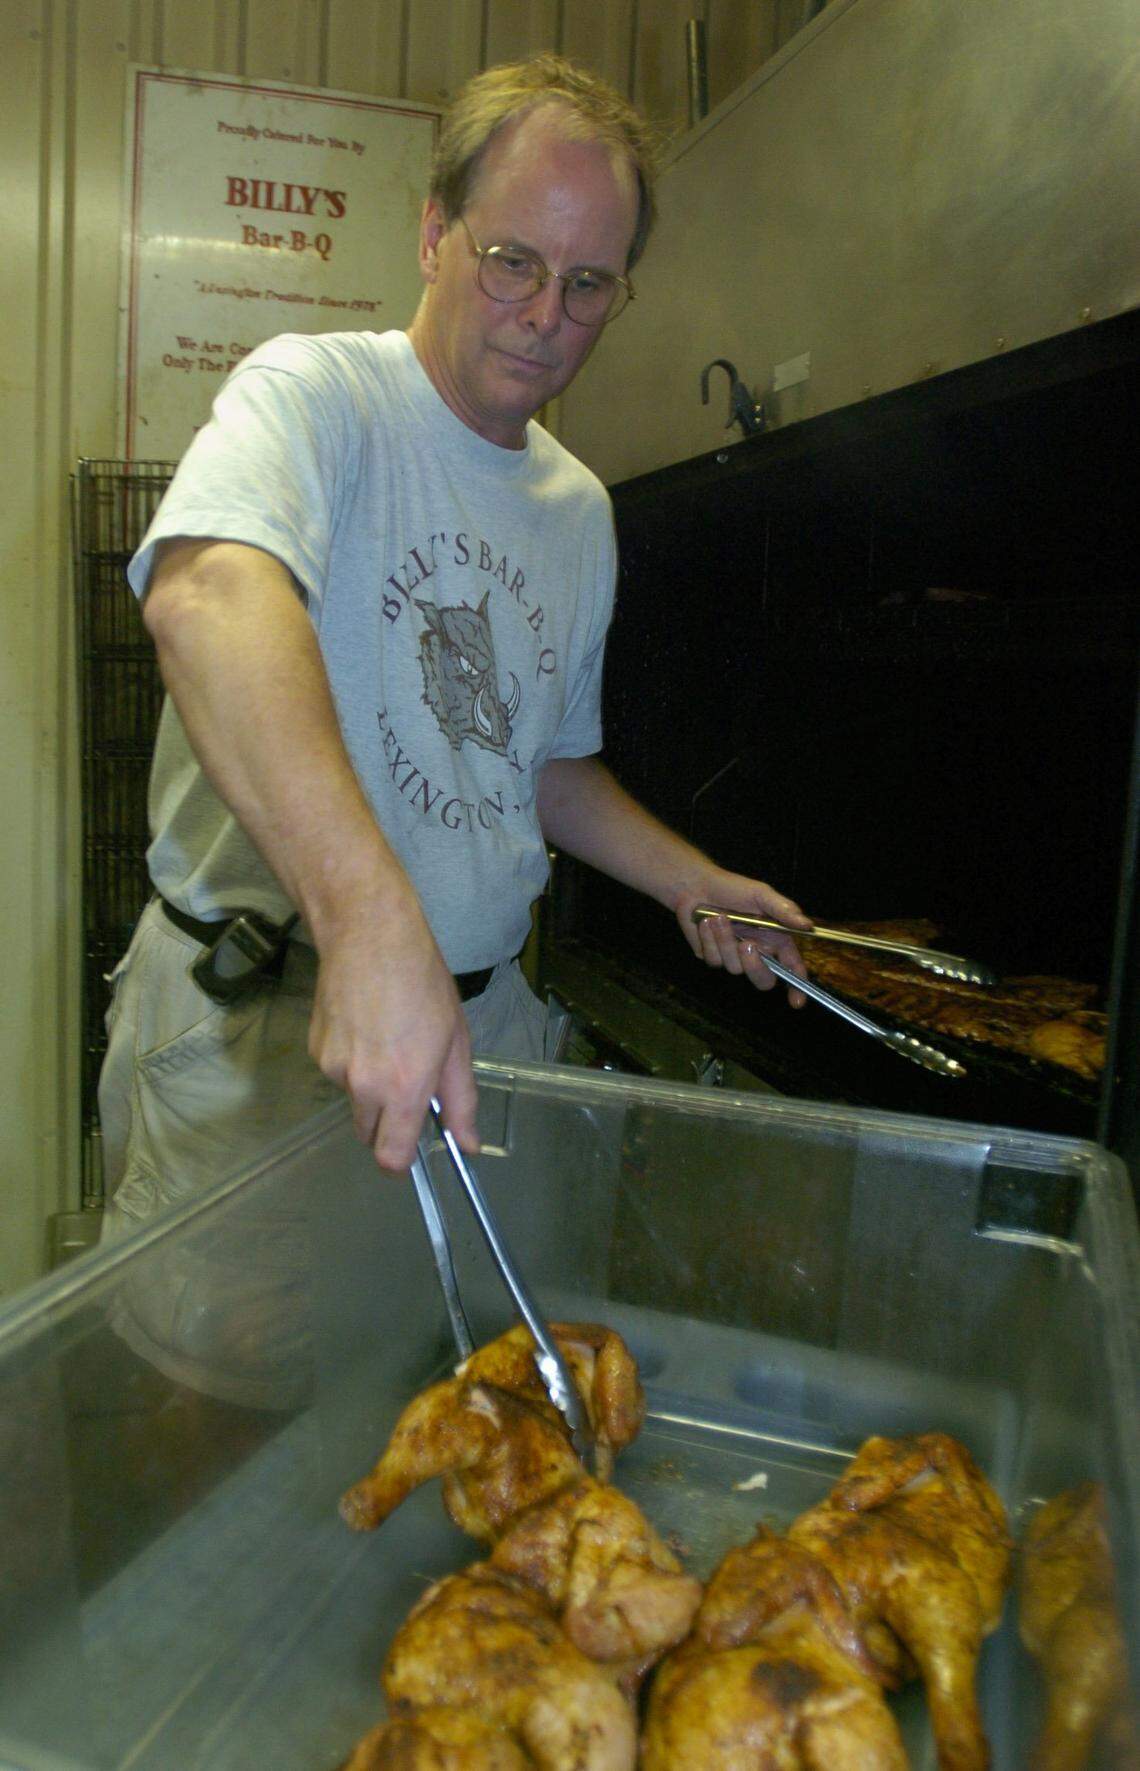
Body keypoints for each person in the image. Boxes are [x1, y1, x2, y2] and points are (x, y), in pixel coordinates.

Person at [97, 54, 809, 1409]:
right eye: (508, 260)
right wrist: (371, 921)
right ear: (431, 234)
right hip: (266, 1034)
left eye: (588, 283)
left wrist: (687, 880)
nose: (546, 314)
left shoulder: (578, 512)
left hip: (482, 1048)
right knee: (204, 1435)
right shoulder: (320, 398)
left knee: (435, 1416)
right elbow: (206, 592)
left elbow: (536, 767)